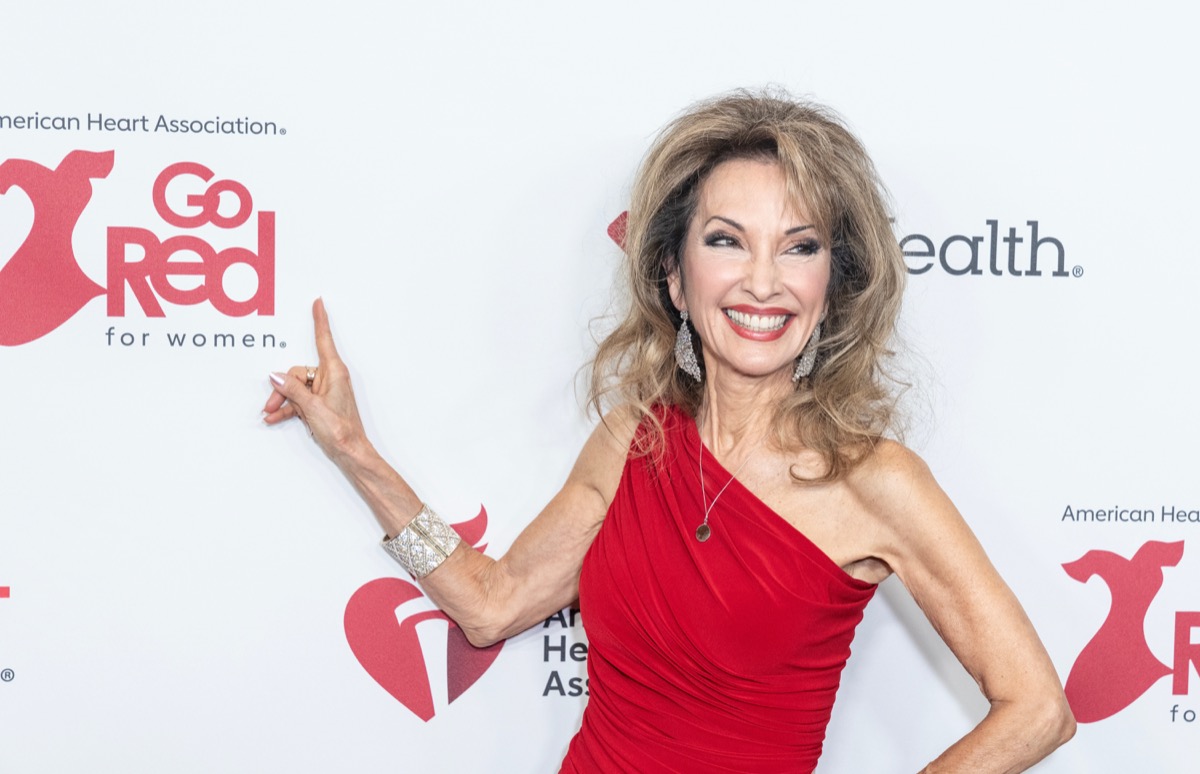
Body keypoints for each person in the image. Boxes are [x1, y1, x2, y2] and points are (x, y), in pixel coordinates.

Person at [263, 91, 1075, 772]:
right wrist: (354, 453)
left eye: (799, 247)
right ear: (675, 278)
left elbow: (1038, 709)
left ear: (831, 289)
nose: (762, 280)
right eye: (727, 241)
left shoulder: (875, 481)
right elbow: (491, 605)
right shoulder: (633, 442)